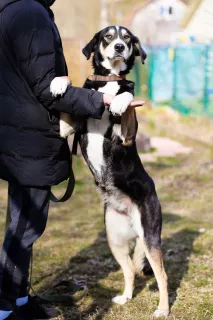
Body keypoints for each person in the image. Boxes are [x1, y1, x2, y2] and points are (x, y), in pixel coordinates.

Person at [0, 0, 143, 319]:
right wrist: (103, 99)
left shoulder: (13, 10)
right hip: (29, 136)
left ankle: (20, 302)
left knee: (24, 226)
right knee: (23, 228)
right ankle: (5, 309)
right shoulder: (29, 13)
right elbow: (48, 88)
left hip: (17, 134)